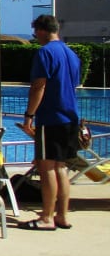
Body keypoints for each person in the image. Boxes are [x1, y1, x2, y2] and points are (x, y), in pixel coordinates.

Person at [17, 15, 80, 231]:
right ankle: (62, 215)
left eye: (35, 32)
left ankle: (46, 218)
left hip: (51, 118)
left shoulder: (45, 52)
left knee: (47, 168)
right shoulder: (72, 54)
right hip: (70, 118)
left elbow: (39, 86)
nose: (35, 37)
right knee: (61, 167)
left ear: (42, 30)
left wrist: (29, 116)